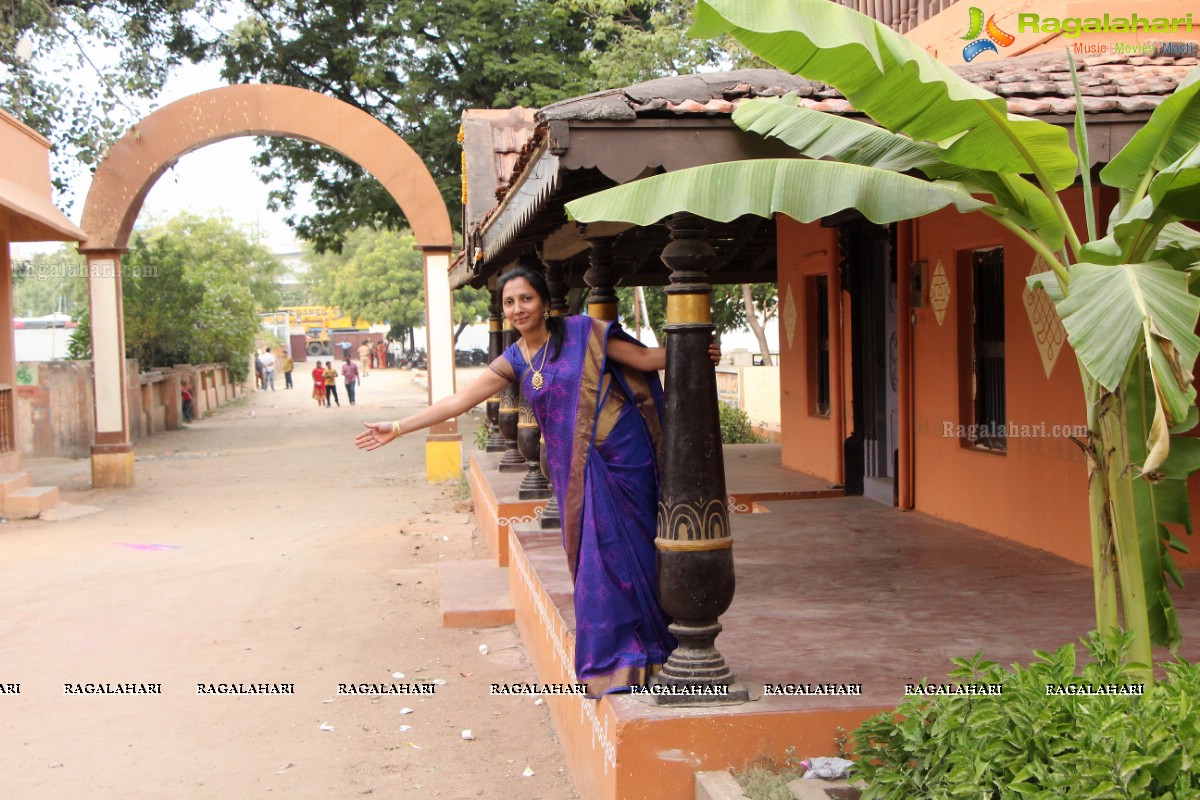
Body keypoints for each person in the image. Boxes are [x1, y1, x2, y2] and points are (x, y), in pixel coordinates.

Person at [355, 266, 720, 698]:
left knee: (638, 552)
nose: (517, 309)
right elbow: (460, 399)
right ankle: (620, 662)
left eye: (525, 299)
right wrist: (397, 426)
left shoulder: (584, 332)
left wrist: (693, 352)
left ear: (545, 303)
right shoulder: (515, 360)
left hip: (624, 457)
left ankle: (660, 651)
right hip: (575, 472)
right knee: (596, 562)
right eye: (509, 302)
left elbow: (642, 360)